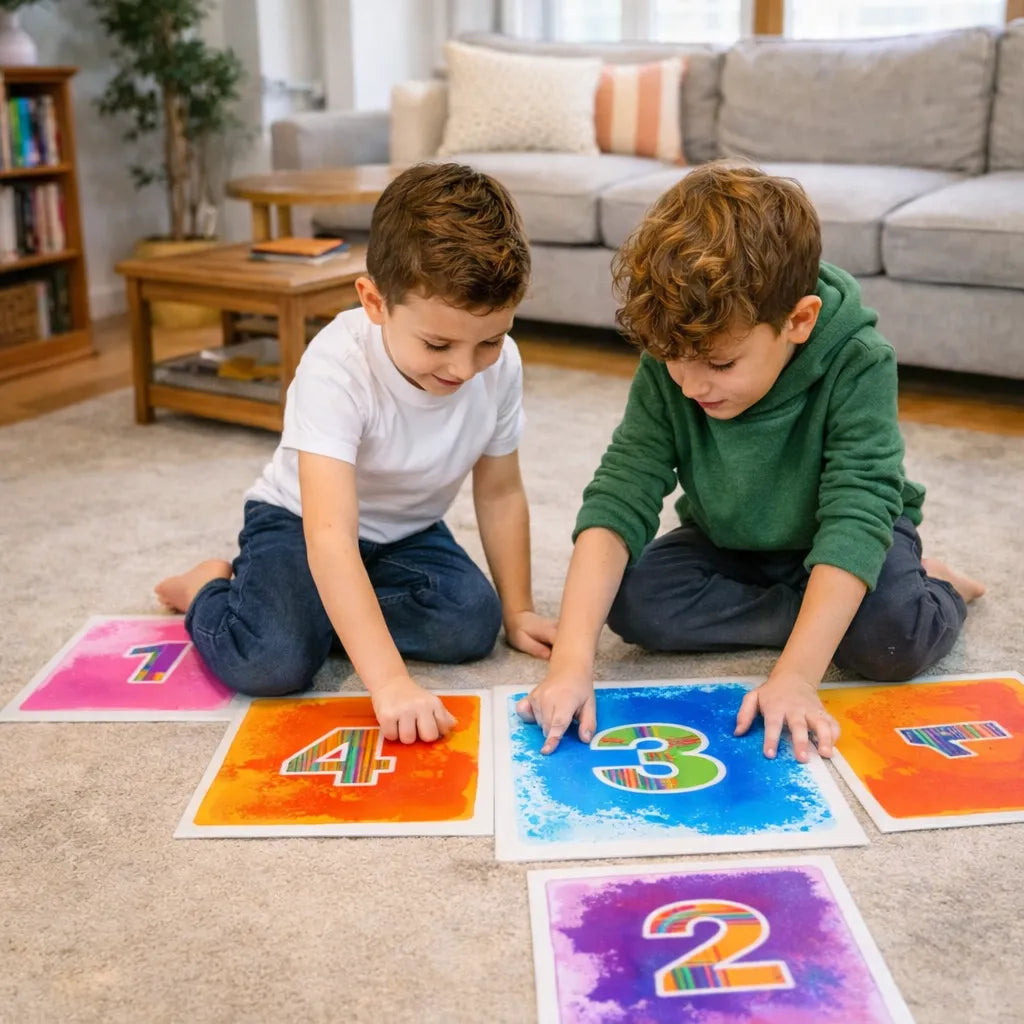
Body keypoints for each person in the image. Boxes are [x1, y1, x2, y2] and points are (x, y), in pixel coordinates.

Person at [517, 161, 984, 762]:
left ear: (799, 321)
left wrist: (794, 678)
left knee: (892, 642)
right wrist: (571, 664)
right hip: (730, 537)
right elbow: (621, 492)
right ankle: (825, 616)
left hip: (846, 536)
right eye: (673, 361)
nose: (689, 385)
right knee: (635, 607)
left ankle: (936, 585)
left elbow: (856, 512)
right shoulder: (678, 359)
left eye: (719, 365)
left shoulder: (860, 360)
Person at [157, 162, 556, 744]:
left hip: (407, 533)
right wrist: (390, 682)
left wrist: (518, 610)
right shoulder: (336, 366)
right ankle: (206, 587)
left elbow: (500, 492)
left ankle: (327, 613)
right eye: (438, 344)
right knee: (270, 662)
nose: (464, 368)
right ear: (374, 302)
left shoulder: (504, 367)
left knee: (472, 624)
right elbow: (329, 538)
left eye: (489, 341)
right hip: (301, 525)